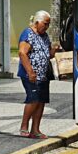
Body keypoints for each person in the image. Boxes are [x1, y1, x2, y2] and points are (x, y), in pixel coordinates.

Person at [17, 10, 57, 139]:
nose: (46, 27)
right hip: (31, 73)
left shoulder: (44, 36)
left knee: (41, 101)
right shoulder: (28, 33)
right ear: (37, 22)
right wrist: (30, 71)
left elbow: (48, 54)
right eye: (45, 24)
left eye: (48, 24)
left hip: (43, 74)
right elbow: (22, 53)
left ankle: (35, 129)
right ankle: (24, 126)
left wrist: (54, 50)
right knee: (33, 99)